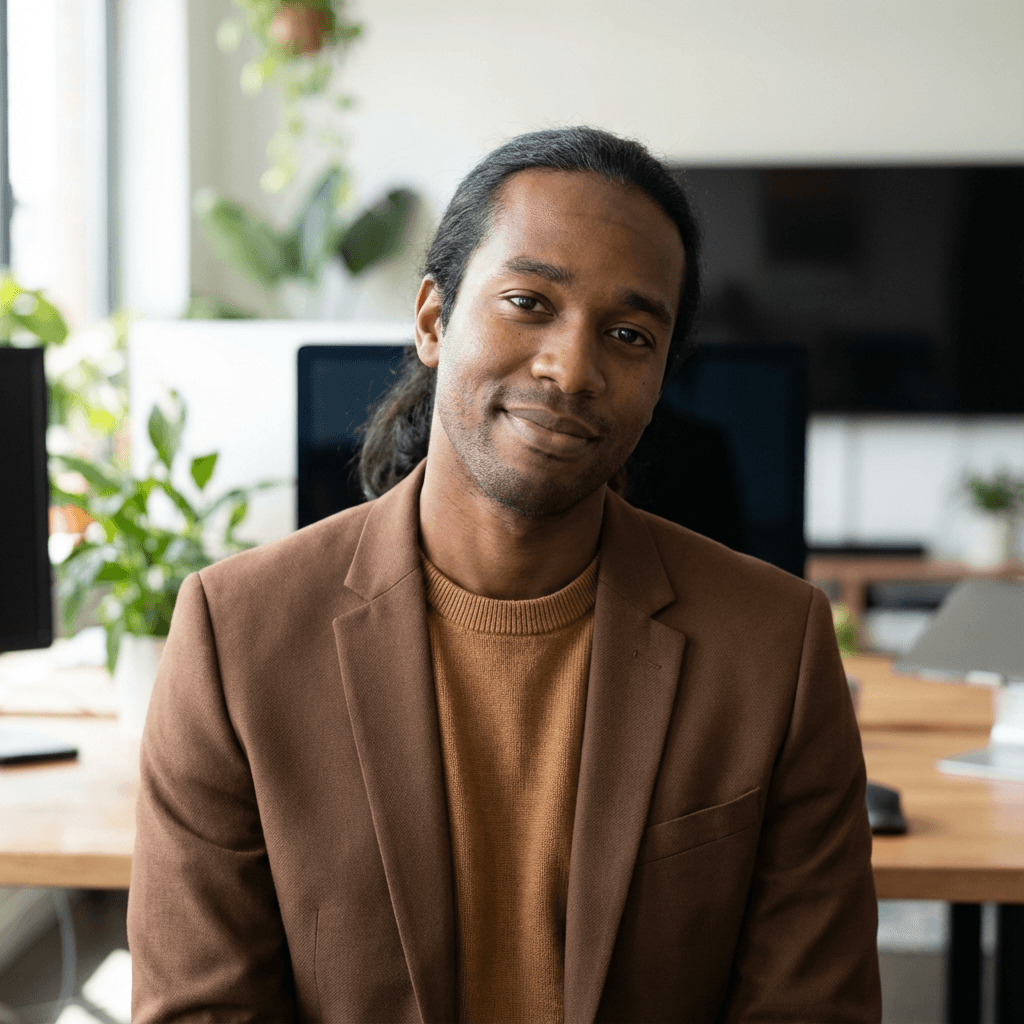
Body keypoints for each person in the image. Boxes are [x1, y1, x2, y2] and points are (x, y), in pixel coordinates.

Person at [128, 126, 881, 1023]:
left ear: (660, 379)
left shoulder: (774, 647)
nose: (572, 368)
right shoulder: (234, 634)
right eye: (528, 302)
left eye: (629, 334)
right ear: (432, 320)